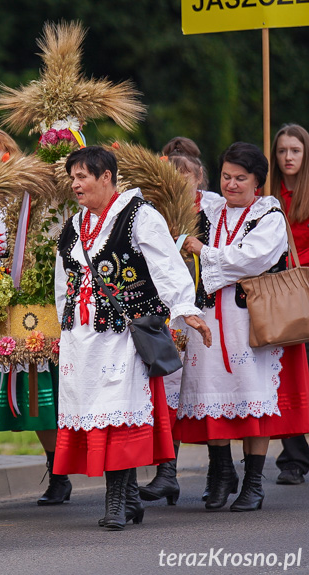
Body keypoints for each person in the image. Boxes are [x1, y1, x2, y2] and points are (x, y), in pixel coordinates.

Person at [54, 146, 211, 530]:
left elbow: (166, 265)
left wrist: (185, 309)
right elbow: (65, 279)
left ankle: (116, 503)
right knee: (97, 414)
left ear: (106, 177)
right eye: (72, 177)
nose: (75, 184)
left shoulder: (140, 216)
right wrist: (65, 323)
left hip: (123, 332)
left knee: (117, 414)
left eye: (82, 176)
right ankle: (127, 500)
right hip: (83, 335)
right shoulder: (75, 225)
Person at [176, 141, 309, 512]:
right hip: (208, 319)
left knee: (253, 400)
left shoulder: (270, 217)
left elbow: (248, 259)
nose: (231, 184)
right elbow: (176, 190)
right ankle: (220, 476)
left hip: (251, 321)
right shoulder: (212, 209)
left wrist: (202, 250)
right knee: (210, 394)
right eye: (226, 177)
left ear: (258, 184)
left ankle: (253, 483)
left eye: (240, 178)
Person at [0, 129, 71, 511]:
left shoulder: (31, 200)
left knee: (38, 394)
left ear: (12, 158)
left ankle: (58, 477)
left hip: (30, 309)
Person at [139, 139, 209, 505]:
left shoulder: (210, 211)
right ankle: (167, 471)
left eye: (187, 177)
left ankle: (221, 471)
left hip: (209, 312)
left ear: (200, 178)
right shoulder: (155, 214)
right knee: (169, 388)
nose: (181, 183)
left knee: (205, 393)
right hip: (171, 313)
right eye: (173, 177)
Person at [269, 124, 309, 486]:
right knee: (286, 372)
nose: (288, 157)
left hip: (306, 281)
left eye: (294, 150)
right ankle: (293, 457)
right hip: (281, 290)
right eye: (282, 151)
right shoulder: (269, 194)